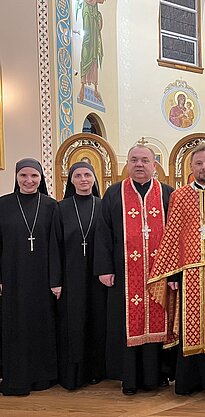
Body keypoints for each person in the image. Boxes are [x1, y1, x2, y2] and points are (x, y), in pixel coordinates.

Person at [148, 144, 205, 396]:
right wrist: (174, 274)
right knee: (188, 326)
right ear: (191, 167)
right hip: (187, 274)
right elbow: (173, 236)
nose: (204, 168)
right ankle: (188, 381)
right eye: (199, 163)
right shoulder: (179, 196)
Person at [94, 145, 175, 395]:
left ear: (154, 165)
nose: (139, 165)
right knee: (127, 323)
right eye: (134, 160)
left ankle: (157, 375)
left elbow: (176, 236)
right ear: (127, 163)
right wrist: (105, 268)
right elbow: (103, 233)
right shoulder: (114, 193)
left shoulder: (167, 194)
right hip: (124, 272)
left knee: (160, 319)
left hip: (159, 274)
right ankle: (128, 377)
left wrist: (173, 272)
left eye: (145, 160)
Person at [0, 158, 58, 395]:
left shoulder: (51, 205)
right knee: (15, 325)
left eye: (34, 176)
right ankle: (16, 375)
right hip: (12, 276)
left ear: (41, 179)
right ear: (16, 177)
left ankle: (43, 375)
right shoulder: (3, 205)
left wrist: (56, 280)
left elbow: (56, 247)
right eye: (24, 176)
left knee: (41, 324)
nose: (29, 181)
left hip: (42, 278)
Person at [49, 161, 107, 390]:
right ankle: (74, 374)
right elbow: (54, 245)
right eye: (78, 176)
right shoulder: (60, 208)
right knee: (73, 324)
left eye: (87, 175)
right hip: (70, 278)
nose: (83, 179)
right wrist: (56, 281)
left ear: (94, 179)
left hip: (98, 277)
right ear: (71, 181)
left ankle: (96, 371)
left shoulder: (102, 206)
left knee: (96, 322)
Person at [77, 0, 106, 103]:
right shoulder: (85, 7)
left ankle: (96, 89)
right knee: (86, 51)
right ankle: (82, 86)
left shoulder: (96, 7)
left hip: (94, 32)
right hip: (88, 24)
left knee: (94, 56)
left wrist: (98, 19)